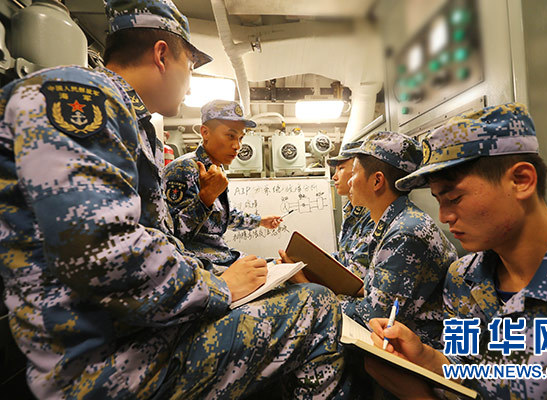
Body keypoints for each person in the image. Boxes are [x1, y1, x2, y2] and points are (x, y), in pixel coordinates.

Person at [0, 1, 349, 398]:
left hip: (132, 330)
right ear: (162, 54)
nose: (190, 84)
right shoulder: (82, 96)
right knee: (317, 305)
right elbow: (104, 251)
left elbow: (156, 236)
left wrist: (225, 267)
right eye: (191, 66)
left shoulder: (134, 123)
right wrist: (218, 286)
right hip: (105, 363)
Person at [366, 103, 547, 399]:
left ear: (521, 181)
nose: (444, 216)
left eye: (454, 198)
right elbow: (467, 368)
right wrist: (426, 357)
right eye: (438, 200)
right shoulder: (464, 279)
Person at [341, 131, 457, 346]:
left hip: (421, 349)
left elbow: (373, 318)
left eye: (354, 172)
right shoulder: (391, 223)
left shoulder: (405, 233)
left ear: (377, 181)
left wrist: (321, 297)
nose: (349, 181)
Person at [164, 99, 283, 266]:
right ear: (205, 132)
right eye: (230, 136)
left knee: (281, 265)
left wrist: (260, 221)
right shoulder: (184, 168)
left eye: (241, 138)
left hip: (219, 257)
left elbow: (222, 215)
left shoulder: (215, 169)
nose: (237, 146)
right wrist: (206, 198)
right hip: (198, 265)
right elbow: (173, 235)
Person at [328, 140, 375, 280]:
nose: (334, 177)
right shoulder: (351, 212)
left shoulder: (373, 215)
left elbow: (356, 277)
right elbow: (344, 258)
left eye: (341, 168)